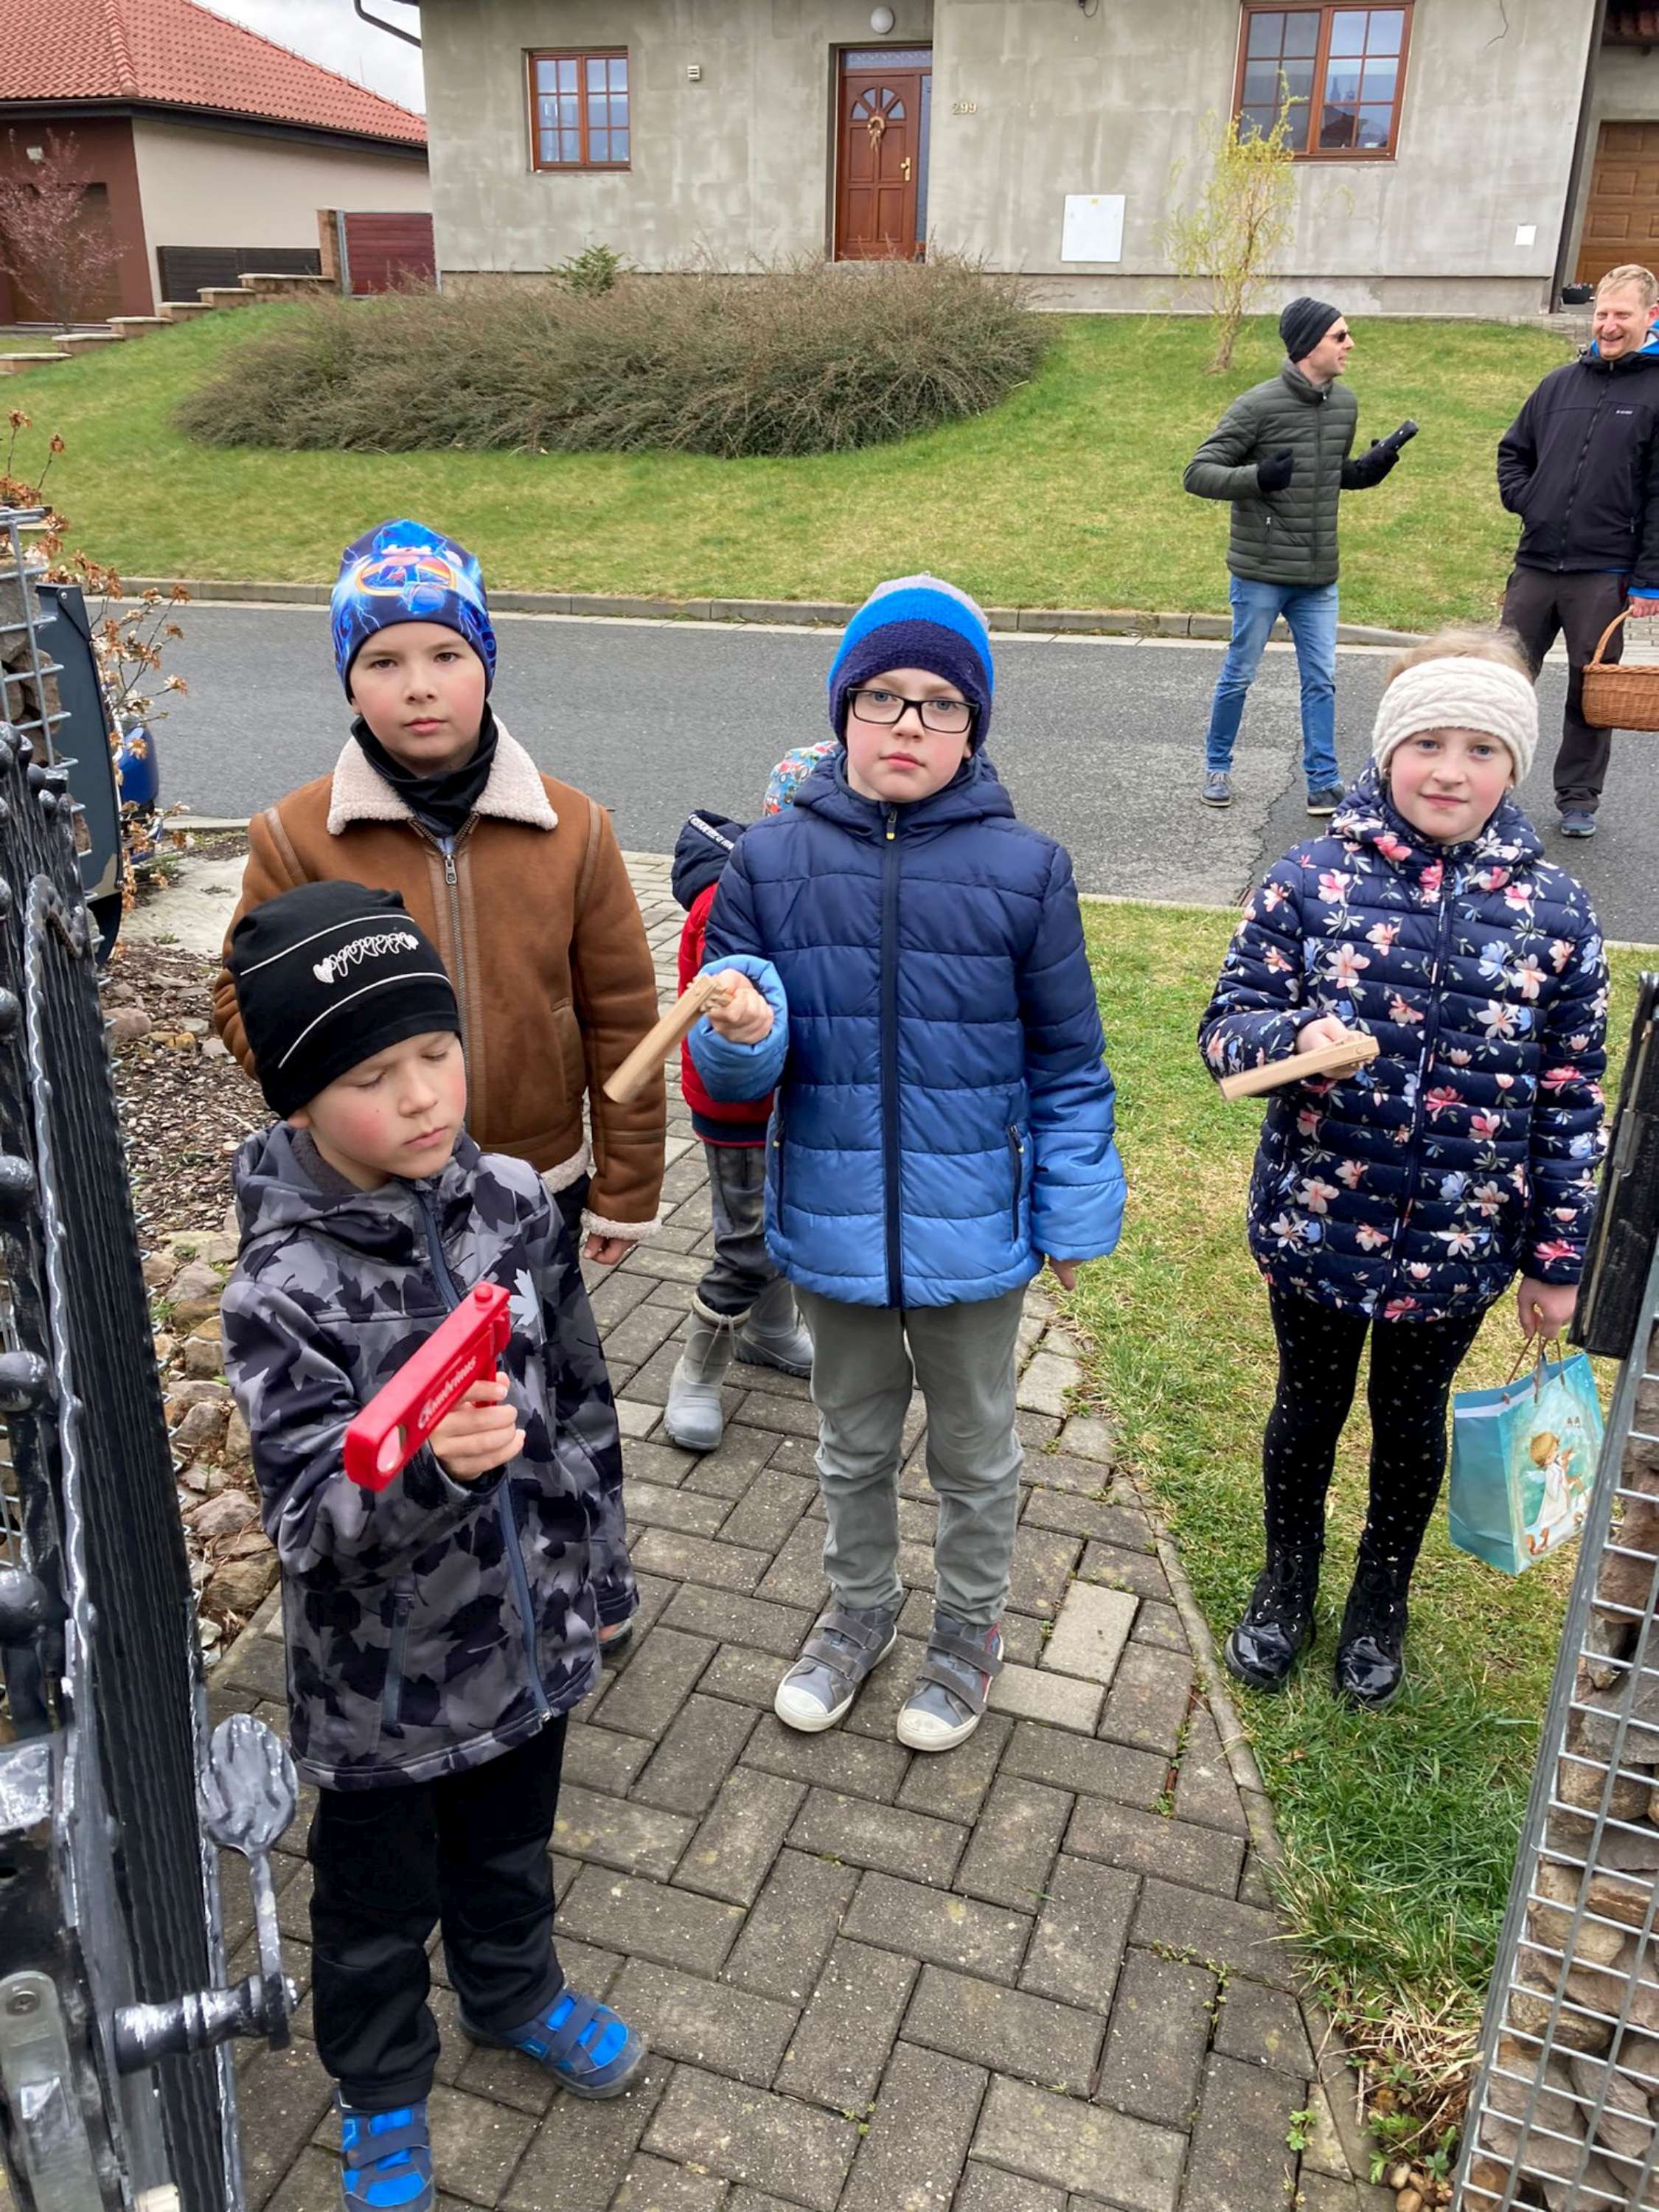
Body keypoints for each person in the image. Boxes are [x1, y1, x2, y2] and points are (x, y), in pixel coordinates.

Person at [219, 882, 644, 2212]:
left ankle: (512, 1993)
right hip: (384, 1691)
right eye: (369, 1076)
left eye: (434, 1052)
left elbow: (579, 1396)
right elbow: (305, 1523)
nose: (419, 1097)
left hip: (528, 1642)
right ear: (299, 1101)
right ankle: (382, 2088)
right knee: (372, 1909)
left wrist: (601, 1570)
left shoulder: (512, 1200)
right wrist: (427, 1474)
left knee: (512, 1851)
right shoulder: (281, 1289)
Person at [687, 576, 1126, 1753]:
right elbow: (733, 1072)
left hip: (972, 1227)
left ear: (973, 727)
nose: (908, 725)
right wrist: (742, 1034)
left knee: (974, 1450)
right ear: (842, 711)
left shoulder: (1027, 870)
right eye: (881, 697)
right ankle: (859, 1611)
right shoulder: (767, 863)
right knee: (851, 1442)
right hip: (832, 1220)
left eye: (941, 704)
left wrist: (1072, 1210)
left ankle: (968, 1631)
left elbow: (1068, 1061)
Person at [1199, 629, 1607, 1708]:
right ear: (1387, 751)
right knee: (1308, 1405)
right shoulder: (1307, 882)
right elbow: (1226, 1028)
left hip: (1460, 1241)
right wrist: (1290, 1039)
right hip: (1319, 1224)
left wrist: (1557, 1258)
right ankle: (1287, 1582)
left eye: (1481, 749)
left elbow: (1572, 1100)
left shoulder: (1558, 917)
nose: (1450, 771)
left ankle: (1381, 1594)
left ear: (1513, 765)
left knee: (1411, 1417)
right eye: (1427, 742)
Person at [212, 518, 664, 1259]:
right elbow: (241, 996)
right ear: (350, 685)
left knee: (540, 1337)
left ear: (486, 665)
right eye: (383, 662)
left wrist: (628, 1187)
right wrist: (331, 1090)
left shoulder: (575, 828)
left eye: (447, 655)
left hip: (537, 1179)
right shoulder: (296, 837)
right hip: (368, 1190)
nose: (419, 686)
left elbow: (624, 1021)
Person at [1184, 297, 1411, 815]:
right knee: (1240, 674)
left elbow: (1329, 475)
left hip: (1318, 573)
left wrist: (1370, 468)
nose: (1350, 344)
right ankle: (1217, 767)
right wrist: (1258, 477)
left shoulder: (1344, 405)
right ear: (1310, 345)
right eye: (1340, 336)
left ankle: (1323, 782)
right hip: (1261, 572)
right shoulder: (1257, 406)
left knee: (1321, 679)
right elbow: (1197, 473)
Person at [661, 808, 814, 1450]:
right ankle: (698, 1369)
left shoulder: (806, 883)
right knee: (748, 1243)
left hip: (797, 1099)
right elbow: (723, 1009)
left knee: (782, 1223)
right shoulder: (731, 898)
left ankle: (770, 1331)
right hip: (745, 1109)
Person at [1497, 261, 1659, 840]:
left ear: (1650, 316)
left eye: (1622, 315)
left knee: (1592, 692)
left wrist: (1649, 581)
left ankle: (1578, 797)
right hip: (1536, 565)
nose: (1608, 325)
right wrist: (1530, 500)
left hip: (1605, 572)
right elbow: (1514, 452)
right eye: (1602, 313)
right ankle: (1490, 784)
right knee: (1504, 680)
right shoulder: (1558, 385)